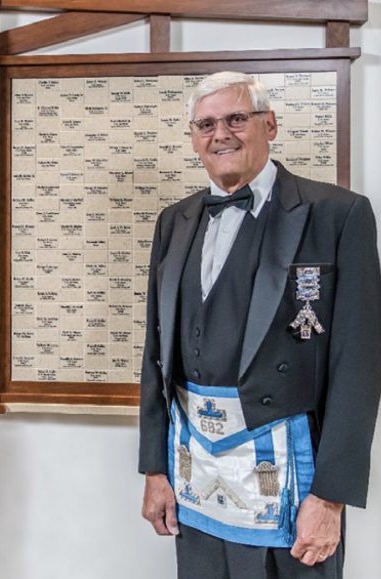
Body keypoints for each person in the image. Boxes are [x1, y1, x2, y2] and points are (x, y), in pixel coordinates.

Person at [138, 71, 381, 578]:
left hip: (292, 483)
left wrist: (331, 497)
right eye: (205, 124)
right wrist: (155, 469)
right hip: (194, 472)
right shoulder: (173, 221)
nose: (220, 134)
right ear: (193, 137)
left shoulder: (339, 214)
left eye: (235, 119)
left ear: (269, 125)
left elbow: (359, 365)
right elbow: (155, 355)